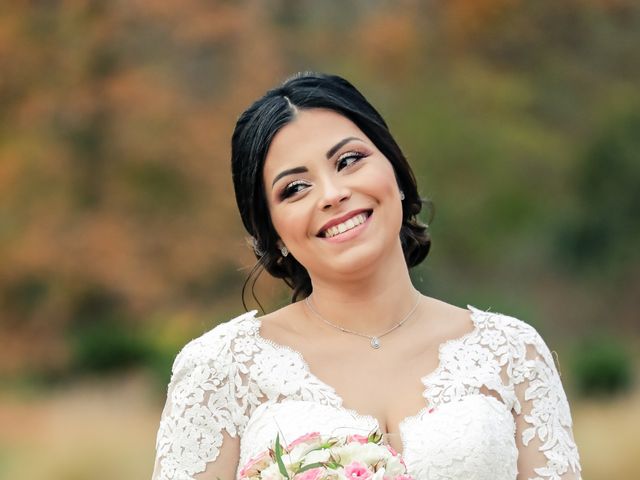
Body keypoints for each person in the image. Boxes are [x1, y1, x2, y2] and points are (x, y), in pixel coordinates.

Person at [152, 73, 582, 479]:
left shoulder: (512, 354)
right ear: (272, 232)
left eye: (349, 160)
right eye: (295, 188)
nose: (333, 194)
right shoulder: (220, 369)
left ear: (395, 172)